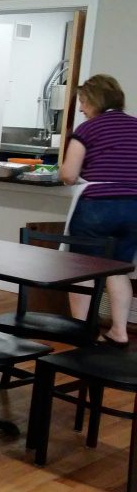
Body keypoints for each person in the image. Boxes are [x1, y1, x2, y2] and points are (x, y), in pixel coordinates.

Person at [59, 74, 137, 346]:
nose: (81, 108)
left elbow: (69, 173)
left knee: (81, 268)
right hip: (133, 208)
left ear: (94, 100)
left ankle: (83, 330)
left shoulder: (89, 129)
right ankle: (119, 331)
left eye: (82, 101)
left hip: (97, 207)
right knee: (117, 269)